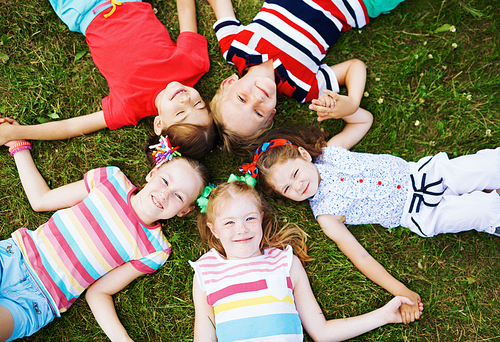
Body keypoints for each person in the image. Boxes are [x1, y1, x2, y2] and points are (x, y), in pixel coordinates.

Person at [0, 125, 209, 341]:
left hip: (40, 299)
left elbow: (98, 293)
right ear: (152, 173)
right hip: (14, 255)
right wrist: (18, 146)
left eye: (179, 197)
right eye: (165, 181)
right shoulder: (110, 180)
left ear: (185, 211)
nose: (165, 194)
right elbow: (41, 200)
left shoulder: (155, 250)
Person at [190, 180, 422, 341]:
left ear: (261, 218)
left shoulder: (285, 264)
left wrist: (384, 315)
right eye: (229, 223)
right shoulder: (206, 272)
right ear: (214, 230)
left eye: (249, 218)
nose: (241, 229)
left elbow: (321, 332)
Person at [0, 0, 216, 159]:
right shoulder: (192, 65)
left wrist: (17, 132)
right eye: (198, 104)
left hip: (82, 10)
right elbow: (186, 10)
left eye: (180, 113)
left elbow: (71, 127)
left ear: (159, 124)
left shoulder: (129, 108)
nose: (184, 100)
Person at [207, 0, 404, 156]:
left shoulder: (234, 48)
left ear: (230, 82)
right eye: (258, 113)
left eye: (242, 99)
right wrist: (352, 102)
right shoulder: (303, 88)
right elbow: (354, 67)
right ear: (271, 116)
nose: (257, 99)